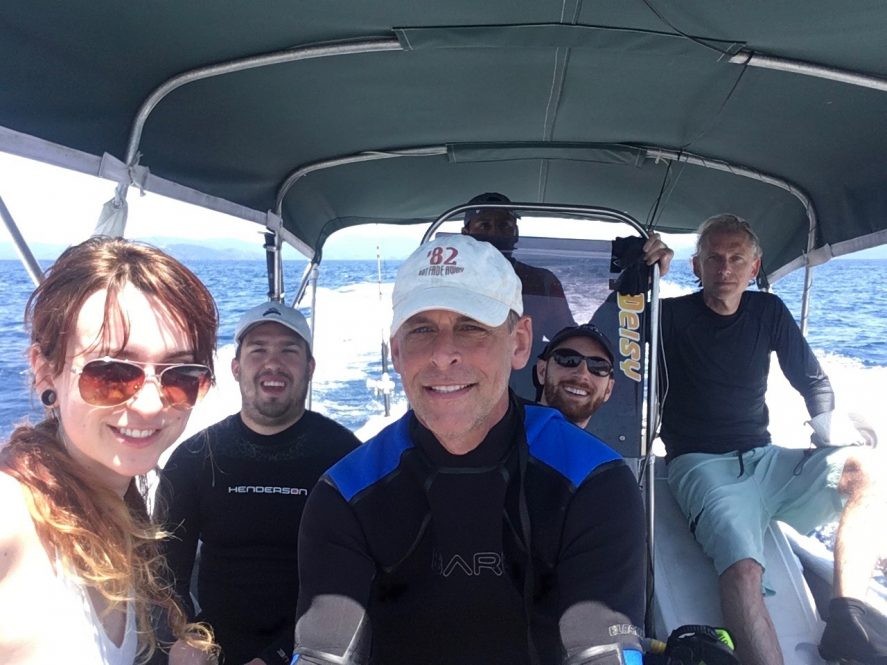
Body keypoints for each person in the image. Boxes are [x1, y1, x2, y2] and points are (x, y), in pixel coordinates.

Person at [292, 234, 646, 665]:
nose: (443, 355)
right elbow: (321, 655)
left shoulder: (592, 482)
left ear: (518, 343)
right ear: (397, 352)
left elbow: (605, 653)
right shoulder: (345, 494)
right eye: (422, 328)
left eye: (471, 326)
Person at [658, 214, 887, 665]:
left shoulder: (769, 311)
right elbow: (618, 342)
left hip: (765, 459)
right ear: (696, 266)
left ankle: (845, 619)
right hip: (701, 463)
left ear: (754, 265)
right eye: (714, 258)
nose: (725, 268)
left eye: (736, 258)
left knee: (869, 470)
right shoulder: (668, 315)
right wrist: (641, 282)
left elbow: (813, 381)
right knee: (744, 569)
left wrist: (829, 434)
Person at [0, 236, 218, 664]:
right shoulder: (12, 519)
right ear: (47, 374)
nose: (153, 403)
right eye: (112, 373)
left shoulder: (114, 515)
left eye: (181, 375)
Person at [155, 302, 360, 665]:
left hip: (317, 648)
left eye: (289, 351)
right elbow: (166, 577)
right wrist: (185, 639)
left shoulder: (345, 459)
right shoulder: (194, 459)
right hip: (212, 649)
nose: (273, 363)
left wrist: (278, 657)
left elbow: (356, 581)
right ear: (235, 368)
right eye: (258, 350)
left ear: (309, 368)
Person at [534, 323, 616, 429]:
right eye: (568, 359)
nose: (582, 374)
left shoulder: (598, 446)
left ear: (608, 389)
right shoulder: (508, 435)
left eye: (599, 366)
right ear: (542, 371)